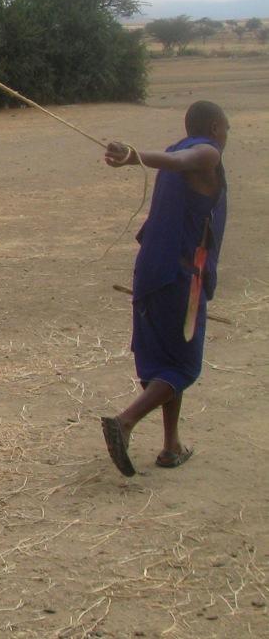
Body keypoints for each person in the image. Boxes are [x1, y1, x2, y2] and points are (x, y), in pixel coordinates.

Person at [99, 100, 229, 477]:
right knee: (183, 365)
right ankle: (124, 422)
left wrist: (135, 157)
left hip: (151, 270)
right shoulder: (205, 152)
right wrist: (135, 157)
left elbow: (175, 162)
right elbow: (187, 162)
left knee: (162, 361)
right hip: (180, 277)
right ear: (216, 128)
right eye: (226, 130)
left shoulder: (177, 148)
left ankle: (171, 445)